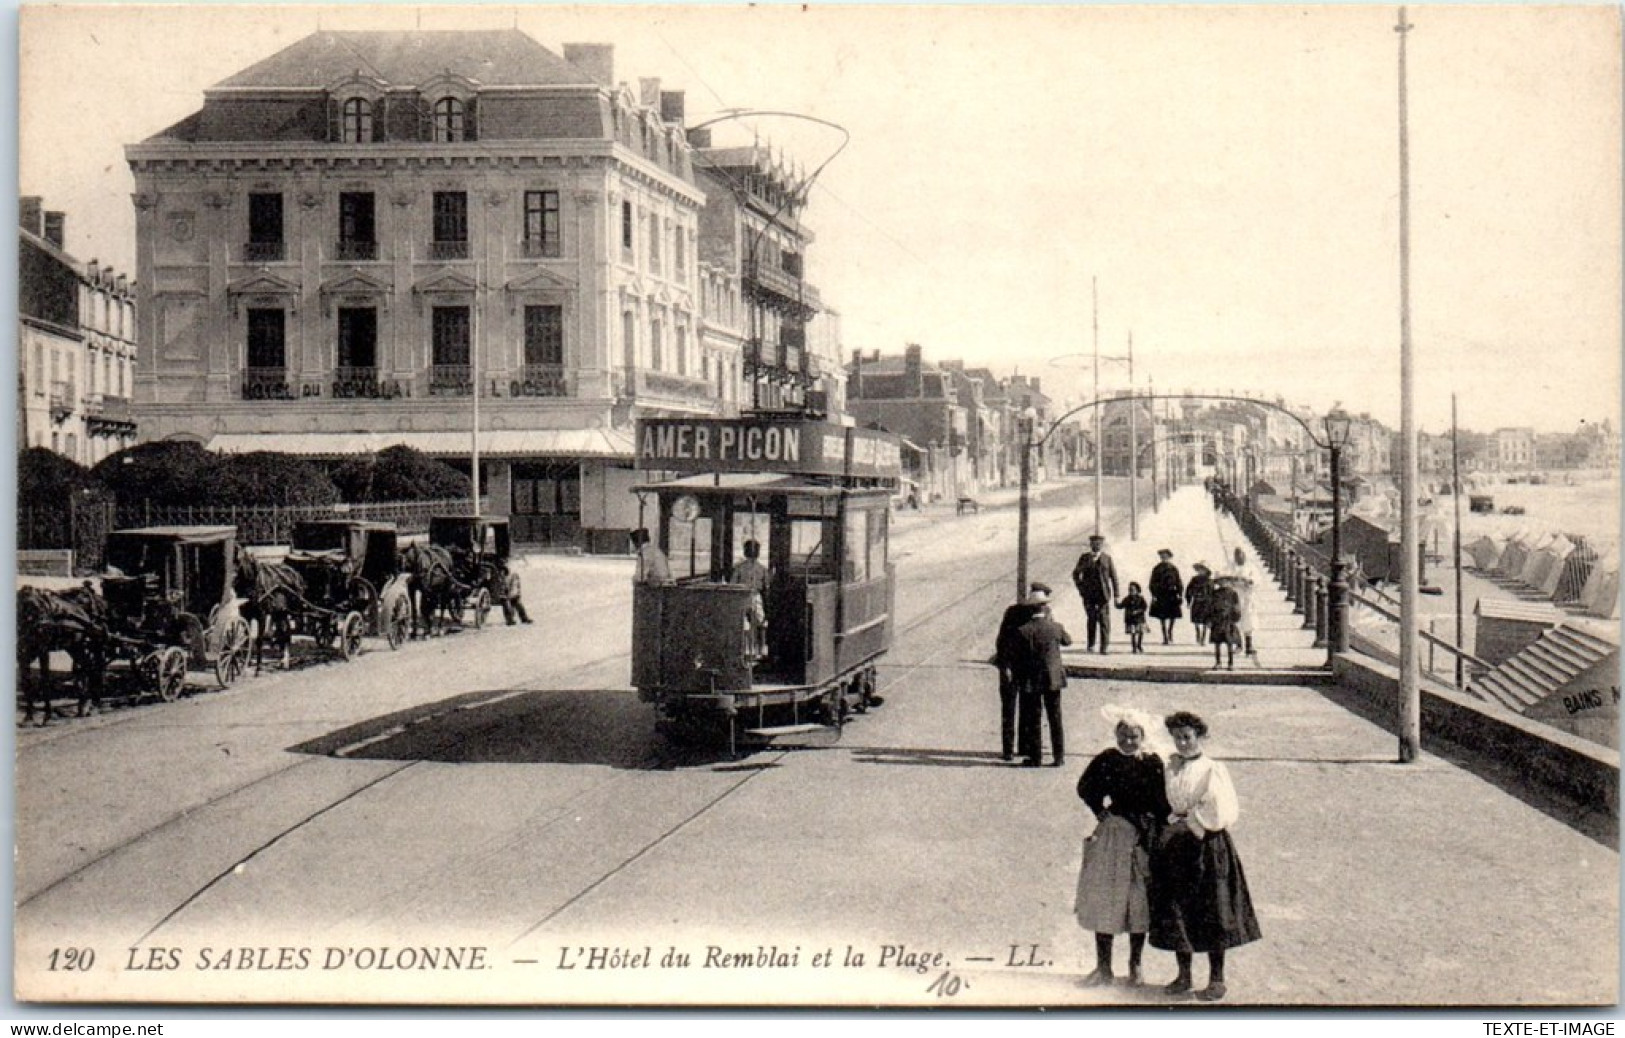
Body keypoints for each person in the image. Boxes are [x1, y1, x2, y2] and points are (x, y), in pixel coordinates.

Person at [1148, 711, 1261, 1001]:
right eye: (1177, 737)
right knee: (1178, 909)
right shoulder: (1171, 766)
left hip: (1207, 844)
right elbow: (1168, 801)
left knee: (1213, 911)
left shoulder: (1213, 769)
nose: (1182, 743)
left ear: (1199, 737)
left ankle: (1216, 978)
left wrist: (1188, 825)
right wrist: (1170, 824)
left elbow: (1220, 809)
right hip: (1177, 846)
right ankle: (1183, 974)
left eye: (1187, 737)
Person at [1074, 705, 1171, 988]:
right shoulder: (1107, 759)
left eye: (1134, 736)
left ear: (1144, 736)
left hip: (1142, 838)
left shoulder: (1153, 763)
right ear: (1116, 736)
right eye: (1124, 736)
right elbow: (1085, 787)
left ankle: (1135, 965)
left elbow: (1163, 802)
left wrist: (1154, 827)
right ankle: (1103, 967)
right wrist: (1100, 812)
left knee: (1137, 902)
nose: (1128, 741)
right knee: (1105, 898)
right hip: (1113, 835)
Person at [1015, 586, 1073, 767]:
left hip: (1033, 679)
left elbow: (1019, 655)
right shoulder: (1055, 627)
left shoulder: (1024, 630)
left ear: (1031, 609)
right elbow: (1068, 641)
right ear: (1045, 608)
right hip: (1054, 677)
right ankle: (1059, 756)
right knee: (1055, 718)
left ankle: (1036, 757)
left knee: (1034, 718)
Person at [993, 585, 1043, 763]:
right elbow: (1002, 640)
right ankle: (1010, 749)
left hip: (1022, 668)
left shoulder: (1019, 612)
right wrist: (1004, 665)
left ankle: (1019, 748)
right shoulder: (1016, 613)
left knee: (1021, 708)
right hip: (1015, 667)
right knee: (1015, 708)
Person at [1071, 534, 1120, 654]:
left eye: (1099, 544)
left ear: (1102, 545)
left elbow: (1114, 577)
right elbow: (1076, 574)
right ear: (1090, 545)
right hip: (1089, 595)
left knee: (1104, 620)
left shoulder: (1107, 558)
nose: (1096, 546)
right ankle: (1091, 645)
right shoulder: (1084, 558)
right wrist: (1081, 588)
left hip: (1103, 595)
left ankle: (1104, 647)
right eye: (1094, 544)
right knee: (1091, 619)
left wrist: (1116, 595)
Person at [732, 539, 770, 657]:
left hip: (743, 597)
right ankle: (761, 648)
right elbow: (767, 586)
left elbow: (732, 584)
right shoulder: (762, 569)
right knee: (760, 622)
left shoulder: (739, 568)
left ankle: (748, 649)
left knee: (745, 623)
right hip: (755, 596)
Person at [1224, 547, 1262, 656]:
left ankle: (1249, 646)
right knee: (1235, 621)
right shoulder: (1230, 566)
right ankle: (1238, 645)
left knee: (1248, 621)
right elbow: (1224, 577)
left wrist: (1250, 581)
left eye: (1241, 555)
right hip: (1235, 596)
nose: (1239, 557)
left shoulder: (1251, 567)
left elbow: (1257, 580)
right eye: (1236, 555)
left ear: (1245, 555)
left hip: (1247, 597)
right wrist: (1231, 581)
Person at [1148, 549, 1184, 645]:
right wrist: (1154, 595)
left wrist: (1180, 593)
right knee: (1162, 617)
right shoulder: (1157, 568)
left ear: (1169, 557)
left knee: (1173, 615)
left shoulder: (1174, 569)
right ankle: (1165, 636)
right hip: (1161, 595)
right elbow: (1152, 583)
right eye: (1162, 557)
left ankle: (1170, 631)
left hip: (1172, 594)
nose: (1164, 558)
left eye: (1166, 557)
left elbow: (1179, 582)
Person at [1185, 561, 1215, 646]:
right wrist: (1188, 600)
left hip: (1206, 603)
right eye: (1199, 569)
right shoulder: (1194, 580)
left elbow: (1212, 592)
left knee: (1206, 621)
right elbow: (1189, 590)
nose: (1200, 571)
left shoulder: (1210, 581)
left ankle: (1203, 637)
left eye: (1202, 569)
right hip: (1197, 601)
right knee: (1196, 620)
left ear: (1206, 571)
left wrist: (1213, 603)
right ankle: (1197, 633)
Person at [498, 559, 532, 625]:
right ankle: (510, 619)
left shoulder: (513, 575)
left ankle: (521, 618)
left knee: (515, 601)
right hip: (501, 593)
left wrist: (508, 596)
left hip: (509, 593)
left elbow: (514, 588)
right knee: (507, 601)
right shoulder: (496, 574)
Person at [1118, 582, 1149, 654]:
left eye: (1133, 590)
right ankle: (1134, 647)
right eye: (1130, 590)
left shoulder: (1141, 598)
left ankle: (1139, 645)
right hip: (1130, 619)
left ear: (1137, 590)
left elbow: (1144, 607)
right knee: (1133, 634)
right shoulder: (1127, 599)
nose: (1131, 591)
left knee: (1141, 632)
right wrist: (1116, 603)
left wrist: (1138, 611)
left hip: (1140, 619)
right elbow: (1121, 606)